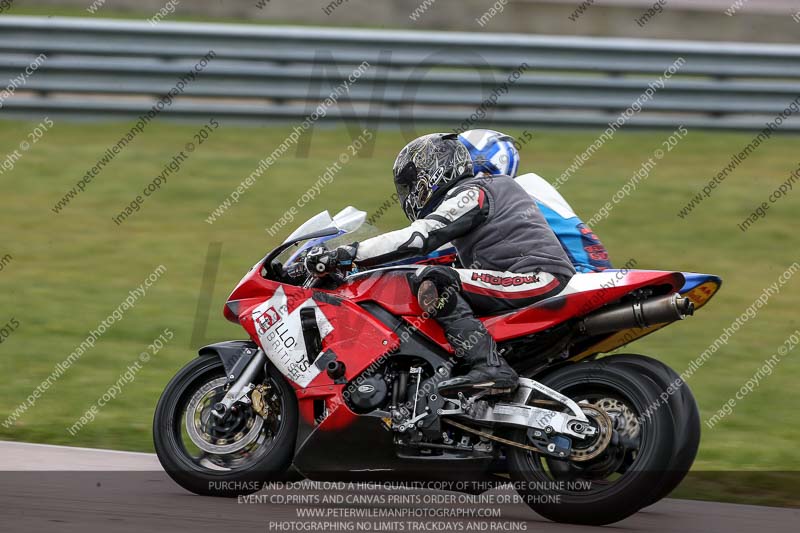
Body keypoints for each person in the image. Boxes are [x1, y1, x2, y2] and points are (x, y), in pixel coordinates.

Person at [304, 133, 576, 395]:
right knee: (435, 275)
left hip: (536, 278)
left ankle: (490, 368)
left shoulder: (475, 192)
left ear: (433, 171)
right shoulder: (484, 194)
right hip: (527, 278)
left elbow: (419, 237)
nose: (409, 191)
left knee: (436, 281)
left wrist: (347, 253)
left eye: (412, 182)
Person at [458, 129, 612, 273]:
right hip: (561, 275)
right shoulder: (513, 193)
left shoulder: (521, 194)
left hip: (574, 277)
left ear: (485, 170)